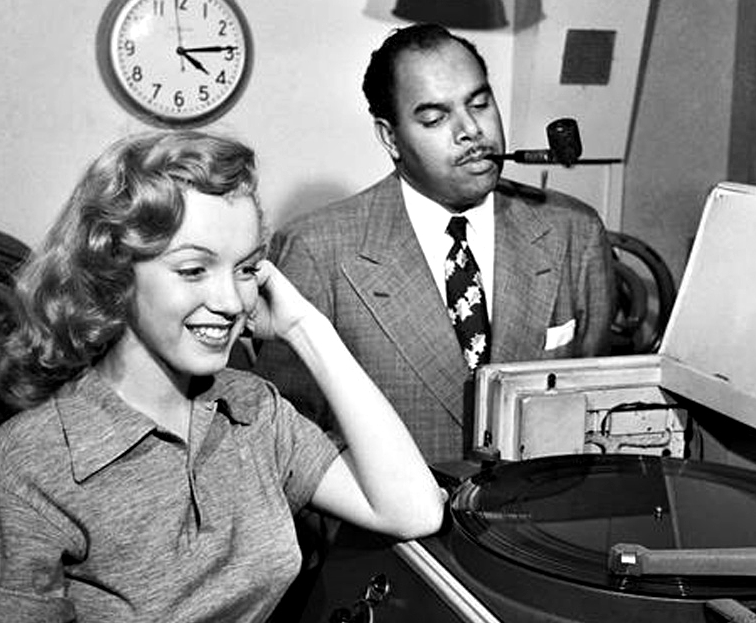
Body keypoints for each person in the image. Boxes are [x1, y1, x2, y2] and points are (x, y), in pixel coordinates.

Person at [0, 130, 444, 623]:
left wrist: (306, 328)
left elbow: (410, 508)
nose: (230, 302)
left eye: (246, 268)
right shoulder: (25, 469)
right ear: (115, 274)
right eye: (193, 269)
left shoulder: (253, 413)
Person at [255, 23, 615, 468]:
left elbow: (595, 413)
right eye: (434, 118)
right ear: (390, 138)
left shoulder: (575, 231)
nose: (471, 130)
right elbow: (288, 444)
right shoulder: (315, 250)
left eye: (479, 104)